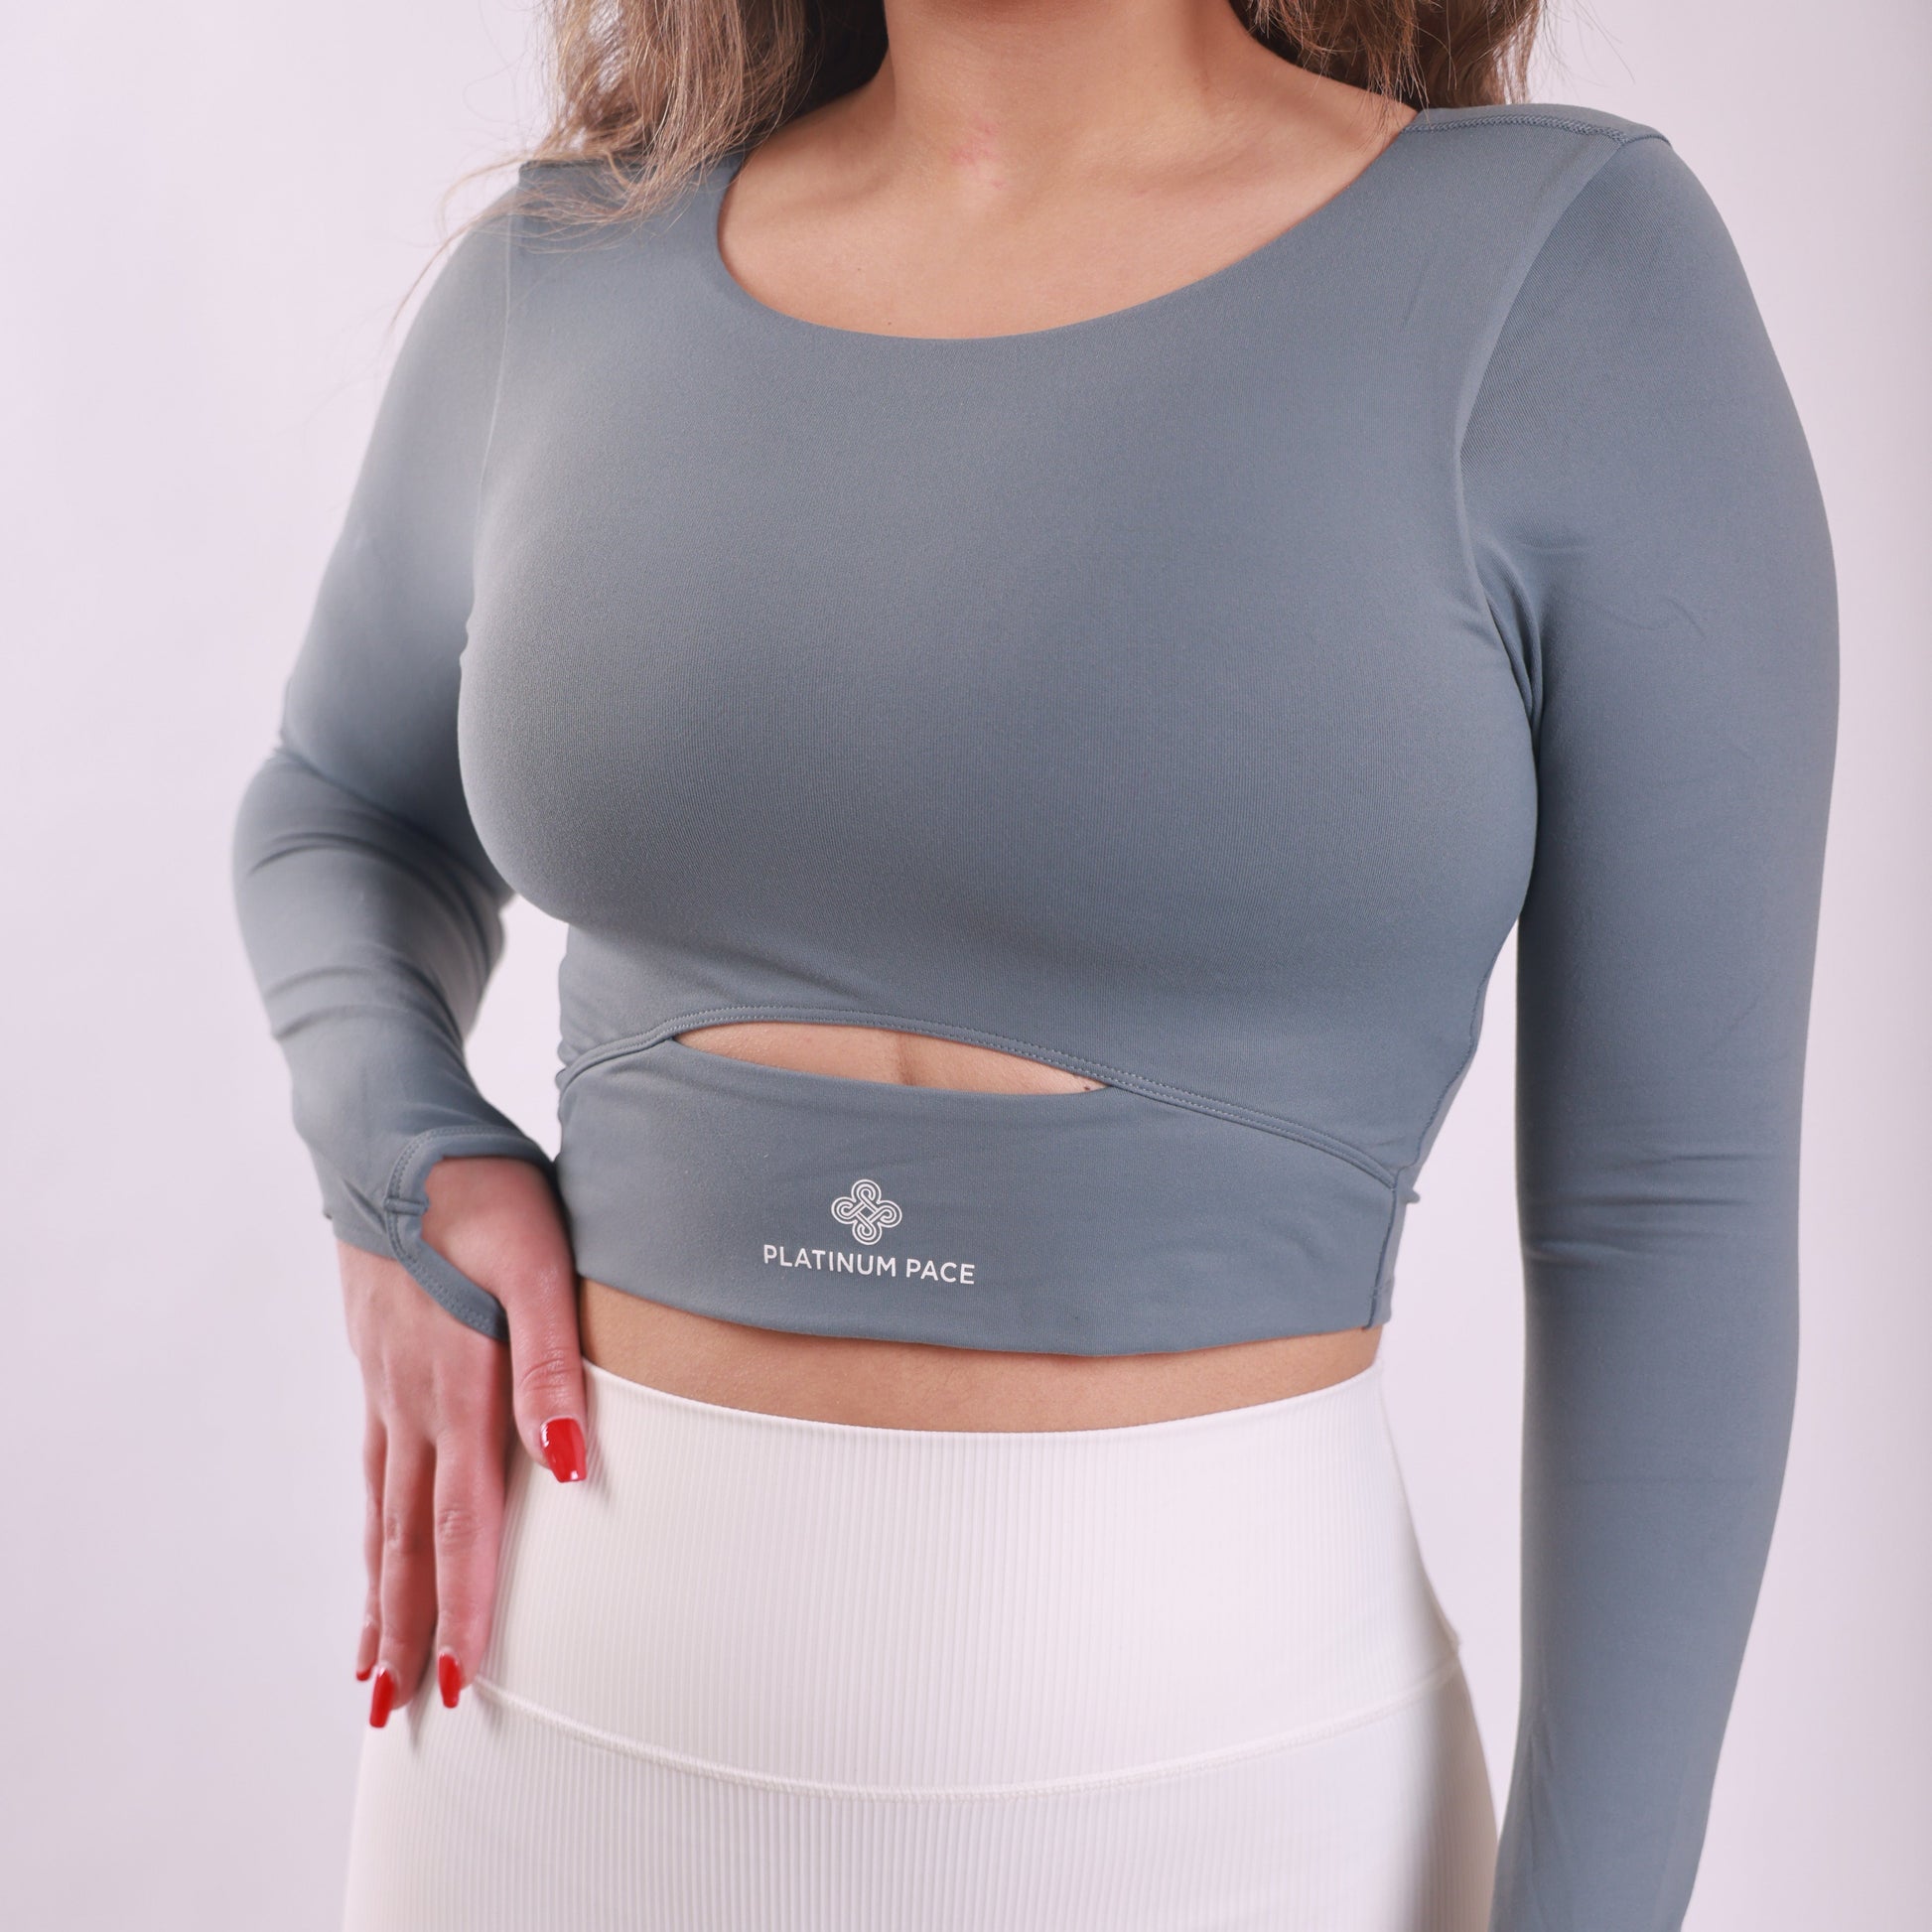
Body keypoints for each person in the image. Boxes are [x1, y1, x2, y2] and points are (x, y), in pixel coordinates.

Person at [231, 0, 1838, 1925]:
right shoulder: (567, 267)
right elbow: (343, 804)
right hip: (539, 1760)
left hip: (1230, 1812)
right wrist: (398, 1147)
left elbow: (1662, 1216)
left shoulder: (1560, 277)